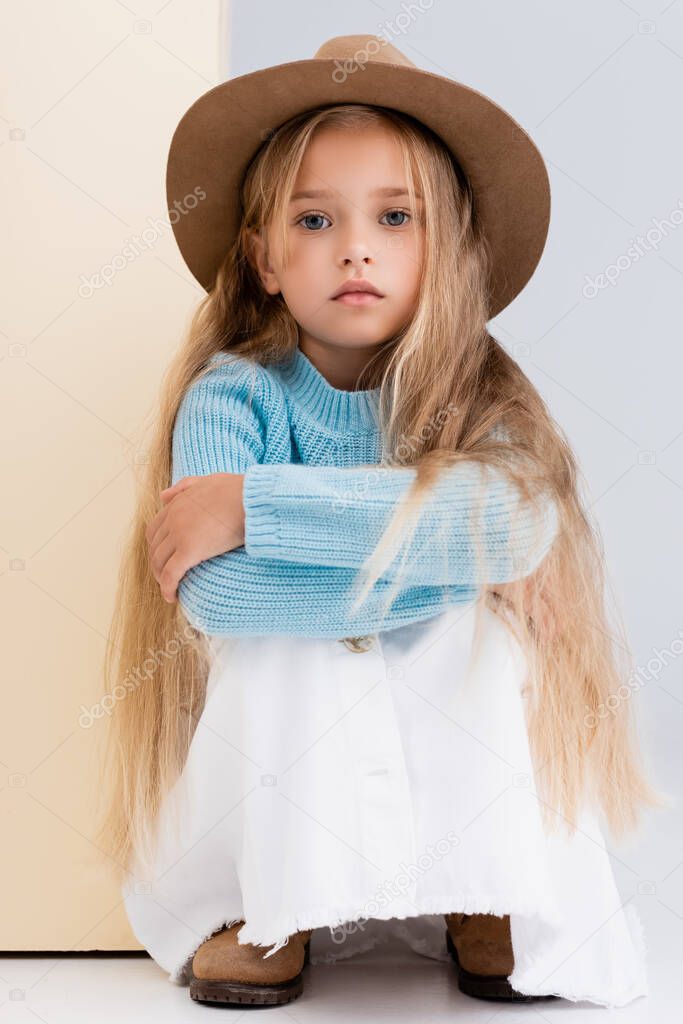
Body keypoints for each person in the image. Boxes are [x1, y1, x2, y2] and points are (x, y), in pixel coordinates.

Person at [96, 34, 665, 1010]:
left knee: (475, 643)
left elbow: (513, 531)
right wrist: (452, 556)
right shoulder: (235, 396)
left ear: (439, 248)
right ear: (262, 259)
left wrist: (253, 505)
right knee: (291, 653)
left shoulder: (473, 393)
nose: (354, 246)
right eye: (313, 219)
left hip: (438, 670)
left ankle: (478, 887)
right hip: (281, 692)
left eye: (393, 217)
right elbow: (220, 594)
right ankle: (269, 905)